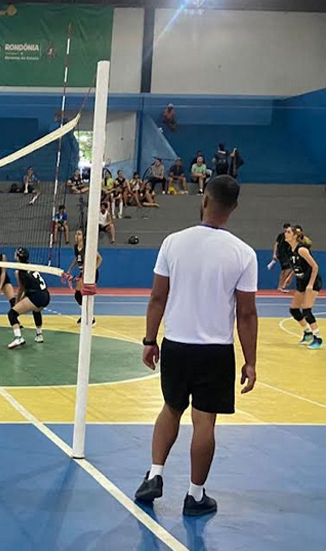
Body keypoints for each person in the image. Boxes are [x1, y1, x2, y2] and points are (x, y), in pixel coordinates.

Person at [134, 175, 257, 517]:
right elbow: (246, 313)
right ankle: (195, 495)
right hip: (215, 351)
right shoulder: (244, 253)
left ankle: (154, 475)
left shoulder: (173, 243)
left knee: (170, 409)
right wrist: (250, 362)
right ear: (233, 208)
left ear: (204, 199)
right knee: (205, 423)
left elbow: (158, 296)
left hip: (176, 345)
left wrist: (149, 339)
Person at [284, 225, 322, 349]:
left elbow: (315, 266)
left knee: (306, 310)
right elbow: (297, 266)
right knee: (294, 310)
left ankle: (318, 338)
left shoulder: (302, 250)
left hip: (312, 282)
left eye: (288, 232)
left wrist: (310, 284)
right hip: (301, 282)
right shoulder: (290, 250)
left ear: (295, 235)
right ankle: (307, 333)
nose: (285, 233)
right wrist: (290, 277)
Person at [6, 247, 50, 348]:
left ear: (17, 257)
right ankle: (39, 334)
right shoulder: (32, 266)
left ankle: (18, 338)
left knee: (12, 314)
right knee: (36, 309)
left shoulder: (19, 272)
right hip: (46, 295)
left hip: (37, 296)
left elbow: (21, 288)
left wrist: (16, 303)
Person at [68, 228, 102, 325]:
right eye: (76, 234)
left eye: (78, 234)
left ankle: (90, 318)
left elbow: (99, 258)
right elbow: (77, 259)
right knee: (78, 295)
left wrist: (93, 269)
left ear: (83, 237)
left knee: (84, 295)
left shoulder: (88, 247)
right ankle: (86, 315)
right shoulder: (75, 247)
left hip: (91, 274)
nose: (76, 236)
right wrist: (70, 269)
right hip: (83, 273)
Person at [269, 223, 295, 292]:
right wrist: (274, 254)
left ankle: (280, 286)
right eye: (286, 229)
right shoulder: (281, 236)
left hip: (288, 254)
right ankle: (282, 286)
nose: (287, 230)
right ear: (284, 229)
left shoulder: (291, 236)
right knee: (288, 269)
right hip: (282, 254)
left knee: (284, 270)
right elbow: (276, 244)